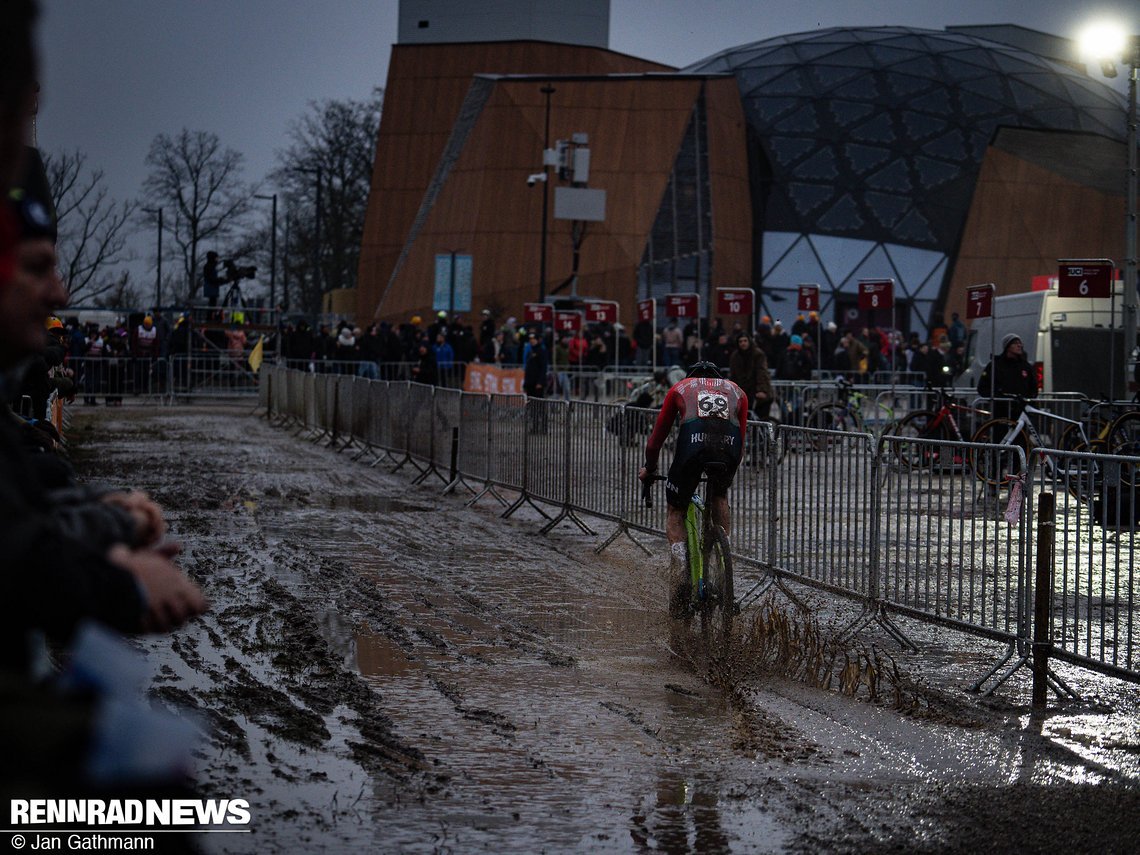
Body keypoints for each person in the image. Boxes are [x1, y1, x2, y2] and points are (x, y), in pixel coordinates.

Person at [638, 362, 748, 618]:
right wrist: (728, 470)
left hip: (691, 447)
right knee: (720, 495)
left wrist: (649, 468)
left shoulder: (680, 387)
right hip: (728, 450)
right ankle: (724, 561)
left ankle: (680, 567)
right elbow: (741, 442)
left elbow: (655, 441)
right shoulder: (737, 391)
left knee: (676, 507)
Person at [977, 333, 1037, 418]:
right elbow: (983, 387)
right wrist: (998, 398)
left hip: (1021, 412)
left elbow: (1033, 387)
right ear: (1007, 346)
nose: (1019, 345)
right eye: (1015, 343)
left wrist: (1028, 400)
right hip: (1001, 411)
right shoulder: (995, 365)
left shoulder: (1025, 366)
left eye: (1020, 343)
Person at [728, 333, 773, 419]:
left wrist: (762, 390)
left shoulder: (758, 354)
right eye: (740, 341)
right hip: (744, 392)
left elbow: (762, 372)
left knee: (761, 419)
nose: (743, 343)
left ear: (749, 342)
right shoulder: (735, 356)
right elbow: (733, 375)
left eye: (745, 341)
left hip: (758, 392)